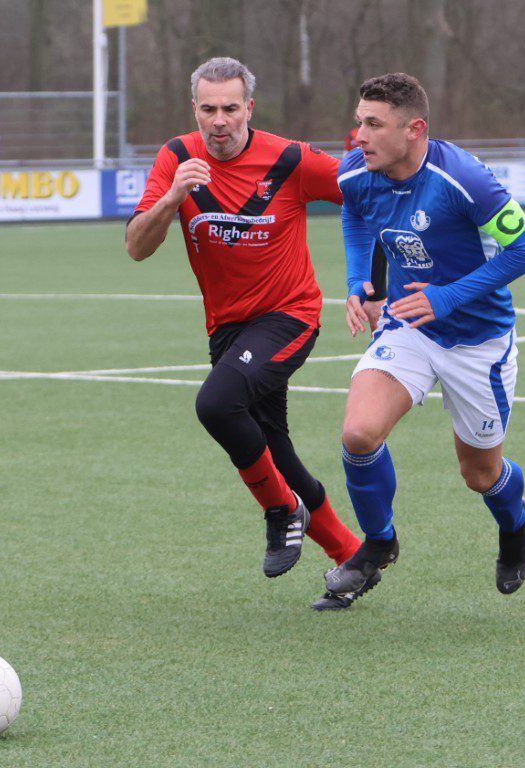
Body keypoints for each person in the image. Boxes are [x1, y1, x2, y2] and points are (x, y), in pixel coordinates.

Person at [125, 57, 362, 600]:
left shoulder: (290, 159)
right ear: (194, 109)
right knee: (273, 450)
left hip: (289, 315)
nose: (220, 121)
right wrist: (172, 197)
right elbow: (137, 247)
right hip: (227, 329)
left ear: (249, 108)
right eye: (208, 109)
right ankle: (352, 555)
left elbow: (366, 196)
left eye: (230, 108)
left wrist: (366, 279)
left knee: (216, 405)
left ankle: (281, 510)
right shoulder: (176, 157)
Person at [316, 72, 525, 611]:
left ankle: (515, 523)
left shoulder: (464, 178)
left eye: (374, 125)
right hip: (408, 326)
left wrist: (447, 296)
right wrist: (360, 281)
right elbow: (355, 212)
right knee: (358, 433)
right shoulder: (356, 170)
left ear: (414, 129)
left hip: (478, 342)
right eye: (358, 122)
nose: (359, 136)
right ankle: (378, 544)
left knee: (480, 475)